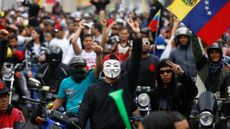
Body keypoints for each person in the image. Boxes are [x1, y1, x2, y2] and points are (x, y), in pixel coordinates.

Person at [77, 18, 142, 129]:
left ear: (120, 68)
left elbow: (135, 62)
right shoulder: (92, 90)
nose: (112, 68)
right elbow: (82, 116)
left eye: (115, 65)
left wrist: (137, 37)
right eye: (109, 65)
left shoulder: (126, 84)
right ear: (104, 67)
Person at [51, 43, 103, 116]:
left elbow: (99, 68)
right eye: (76, 66)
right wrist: (50, 110)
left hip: (88, 115)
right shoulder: (65, 82)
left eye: (81, 66)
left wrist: (98, 55)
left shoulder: (90, 76)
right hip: (70, 116)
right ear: (70, 68)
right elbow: (59, 100)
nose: (79, 69)